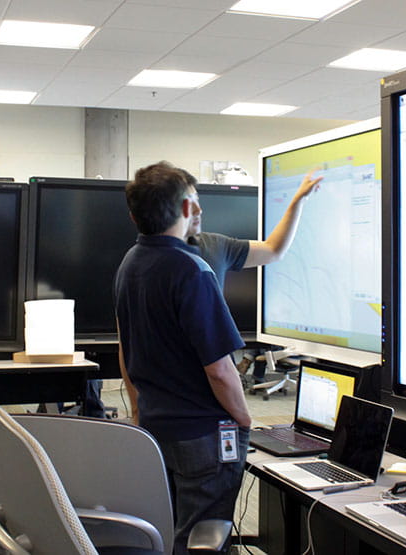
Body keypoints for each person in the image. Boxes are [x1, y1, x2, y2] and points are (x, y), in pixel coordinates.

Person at [114, 161, 252, 554]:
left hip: (157, 426)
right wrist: (244, 418)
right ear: (188, 208)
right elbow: (220, 370)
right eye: (198, 202)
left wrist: (139, 409)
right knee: (204, 539)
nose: (202, 211)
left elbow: (126, 349)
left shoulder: (129, 264)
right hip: (204, 435)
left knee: (173, 530)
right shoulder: (193, 270)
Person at [180, 167, 324, 382]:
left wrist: (297, 202)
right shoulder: (147, 266)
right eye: (191, 201)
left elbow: (273, 249)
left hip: (209, 393)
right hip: (189, 387)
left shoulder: (215, 245)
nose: (200, 210)